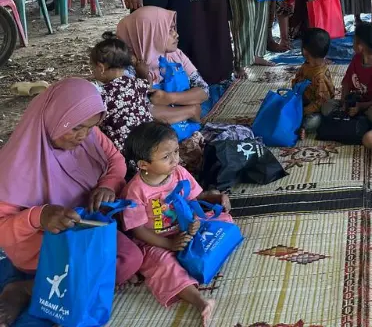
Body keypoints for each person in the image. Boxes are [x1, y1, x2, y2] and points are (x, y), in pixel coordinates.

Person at [0, 79, 143, 326]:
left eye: (90, 127)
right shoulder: (14, 166)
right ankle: (24, 288)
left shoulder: (90, 136)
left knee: (131, 259)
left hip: (85, 227)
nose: (83, 136)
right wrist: (39, 216)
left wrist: (107, 184)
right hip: (44, 244)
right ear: (55, 117)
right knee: (98, 271)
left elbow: (115, 161)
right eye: (77, 127)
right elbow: (3, 231)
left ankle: (35, 286)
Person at [122, 122, 233, 326]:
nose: (175, 159)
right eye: (166, 157)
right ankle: (200, 301)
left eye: (176, 151)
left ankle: (192, 255)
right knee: (163, 266)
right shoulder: (136, 191)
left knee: (223, 220)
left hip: (185, 227)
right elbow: (137, 230)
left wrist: (216, 199)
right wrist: (169, 245)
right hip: (156, 240)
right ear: (143, 164)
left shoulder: (179, 172)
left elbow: (195, 198)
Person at [117, 6, 209, 126]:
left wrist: (170, 98)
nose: (176, 34)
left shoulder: (175, 55)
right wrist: (190, 110)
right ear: (149, 34)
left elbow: (204, 90)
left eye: (173, 29)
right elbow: (141, 112)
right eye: (169, 30)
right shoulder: (126, 69)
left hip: (181, 123)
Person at [90, 32, 153, 157]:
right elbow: (148, 85)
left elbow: (94, 121)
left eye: (93, 68)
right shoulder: (136, 83)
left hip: (123, 152)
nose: (93, 72)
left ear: (101, 68)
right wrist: (143, 72)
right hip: (149, 143)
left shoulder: (102, 94)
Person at [337, 22, 372, 125]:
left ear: (360, 46)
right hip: (355, 100)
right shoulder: (357, 58)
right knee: (327, 107)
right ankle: (357, 118)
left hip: (370, 105)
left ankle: (360, 119)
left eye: (354, 40)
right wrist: (343, 103)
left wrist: (360, 106)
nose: (352, 43)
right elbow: (346, 83)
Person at [291, 28, 336, 136]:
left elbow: (321, 102)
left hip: (316, 109)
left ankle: (303, 128)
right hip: (305, 100)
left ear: (305, 51)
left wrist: (304, 110)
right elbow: (296, 82)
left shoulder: (320, 77)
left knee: (314, 119)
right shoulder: (306, 65)